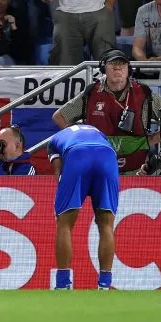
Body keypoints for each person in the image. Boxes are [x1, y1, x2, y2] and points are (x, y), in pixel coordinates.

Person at [53, 49, 161, 175]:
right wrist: (79, 140)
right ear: (104, 68)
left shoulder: (144, 93)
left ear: (129, 69)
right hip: (97, 171)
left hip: (136, 171)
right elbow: (60, 117)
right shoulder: (91, 94)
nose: (118, 68)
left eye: (122, 64)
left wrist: (152, 139)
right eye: (113, 64)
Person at [47, 124, 119, 290]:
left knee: (64, 224)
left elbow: (58, 172)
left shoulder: (54, 140)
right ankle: (105, 284)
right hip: (107, 155)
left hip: (77, 154)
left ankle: (63, 284)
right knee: (106, 225)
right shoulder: (98, 131)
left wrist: (67, 194)